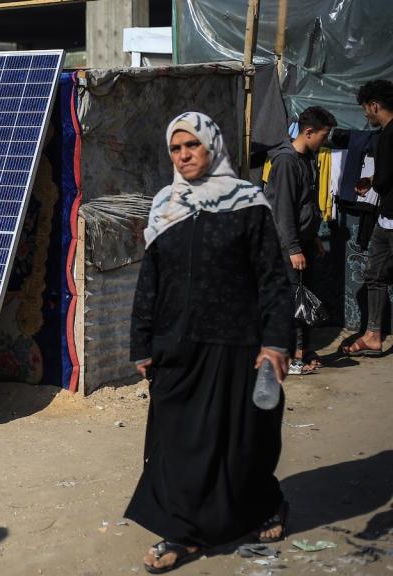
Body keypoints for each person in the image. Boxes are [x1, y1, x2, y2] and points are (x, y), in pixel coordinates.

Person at [128, 112, 294, 573]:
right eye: (175, 149)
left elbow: (272, 279)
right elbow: (150, 280)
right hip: (177, 346)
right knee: (177, 444)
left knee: (243, 444)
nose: (183, 157)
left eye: (192, 147)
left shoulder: (247, 201)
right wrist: (141, 343)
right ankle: (182, 533)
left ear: (212, 147)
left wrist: (276, 341)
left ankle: (265, 505)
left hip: (239, 345)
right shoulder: (165, 205)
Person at [263, 106, 337, 374]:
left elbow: (305, 205)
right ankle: (291, 357)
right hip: (285, 246)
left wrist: (312, 236)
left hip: (302, 242)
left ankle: (301, 351)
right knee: (293, 300)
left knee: (304, 299)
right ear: (308, 132)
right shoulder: (285, 161)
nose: (325, 140)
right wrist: (293, 247)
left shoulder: (307, 159)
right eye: (323, 135)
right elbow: (282, 211)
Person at [345, 79, 393, 357]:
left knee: (375, 276)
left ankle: (374, 333)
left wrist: (375, 183)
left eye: (366, 108)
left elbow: (387, 179)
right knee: (374, 275)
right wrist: (374, 179)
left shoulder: (387, 134)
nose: (366, 114)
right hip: (386, 219)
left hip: (390, 218)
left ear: (374, 106)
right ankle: (373, 335)